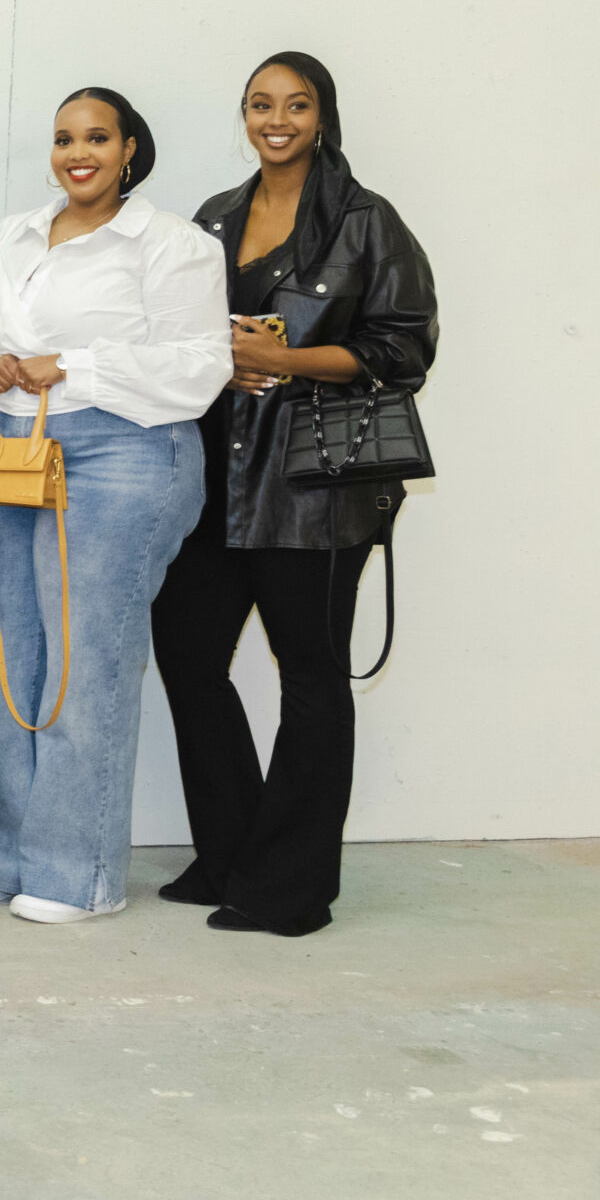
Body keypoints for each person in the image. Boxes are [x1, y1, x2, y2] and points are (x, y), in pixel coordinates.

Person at [149, 53, 437, 936]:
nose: (277, 119)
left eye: (296, 104)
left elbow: (404, 349)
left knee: (312, 679)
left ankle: (290, 889)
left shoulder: (365, 221)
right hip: (216, 478)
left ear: (323, 115)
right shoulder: (214, 217)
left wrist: (285, 360)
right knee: (190, 655)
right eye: (261, 104)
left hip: (312, 488)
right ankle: (233, 853)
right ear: (244, 115)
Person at [0, 88, 228, 924]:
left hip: (124, 451)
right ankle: (8, 850)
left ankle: (79, 872)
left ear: (130, 148)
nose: (79, 151)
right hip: (13, 447)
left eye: (97, 136)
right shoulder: (13, 237)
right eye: (65, 137)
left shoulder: (171, 244)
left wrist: (70, 366)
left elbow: (201, 366)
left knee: (83, 659)